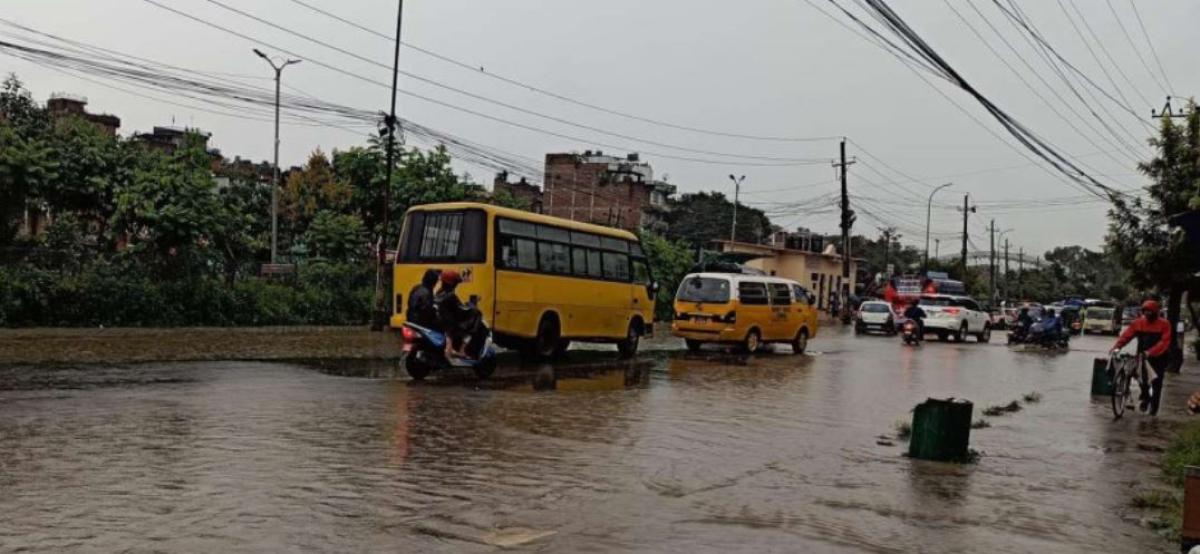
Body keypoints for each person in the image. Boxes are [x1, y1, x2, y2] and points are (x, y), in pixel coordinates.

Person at [1111, 300, 1172, 415]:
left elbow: (1164, 342)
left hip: (1160, 357)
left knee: (1157, 383)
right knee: (1142, 379)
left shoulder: (1164, 324)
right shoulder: (1138, 323)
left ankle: (1154, 409)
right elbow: (1126, 336)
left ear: (1155, 312)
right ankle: (1146, 397)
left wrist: (1150, 352)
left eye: (1150, 311)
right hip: (1142, 356)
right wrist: (1116, 347)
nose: (1147, 313)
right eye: (1145, 311)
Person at [435, 270, 489, 359]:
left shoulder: (439, 293)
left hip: (444, 323)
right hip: (452, 324)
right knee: (475, 320)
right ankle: (462, 349)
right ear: (452, 284)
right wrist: (472, 305)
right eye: (456, 283)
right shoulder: (450, 296)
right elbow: (462, 309)